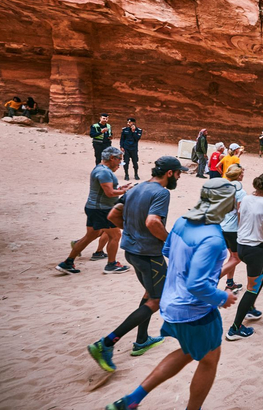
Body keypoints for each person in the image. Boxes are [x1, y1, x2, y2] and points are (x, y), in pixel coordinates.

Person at [104, 179, 239, 410]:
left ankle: (133, 399)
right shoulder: (214, 239)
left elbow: (167, 250)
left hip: (170, 302)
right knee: (209, 361)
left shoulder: (183, 221)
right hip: (195, 311)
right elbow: (197, 285)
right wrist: (223, 298)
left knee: (189, 351)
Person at [88, 156, 188, 373]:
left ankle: (142, 339)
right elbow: (153, 222)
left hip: (131, 251)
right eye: (178, 173)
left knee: (149, 293)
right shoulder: (162, 192)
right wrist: (170, 241)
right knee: (157, 300)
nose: (179, 177)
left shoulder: (136, 187)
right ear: (169, 173)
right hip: (149, 254)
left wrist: (132, 230)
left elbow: (113, 214)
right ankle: (106, 343)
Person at [56, 147, 131, 275]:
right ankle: (111, 265)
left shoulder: (100, 169)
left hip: (93, 208)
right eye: (120, 160)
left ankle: (68, 263)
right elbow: (110, 193)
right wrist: (126, 191)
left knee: (90, 236)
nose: (120, 163)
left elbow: (107, 189)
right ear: (112, 158)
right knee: (115, 235)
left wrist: (119, 187)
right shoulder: (104, 172)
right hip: (102, 210)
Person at [224, 173, 263, 340]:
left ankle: (250, 305)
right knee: (251, 287)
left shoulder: (247, 198)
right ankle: (235, 328)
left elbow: (240, 217)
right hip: (256, 249)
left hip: (242, 245)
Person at [219, 164, 247, 293]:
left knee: (232, 256)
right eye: (241, 173)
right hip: (233, 229)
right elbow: (240, 212)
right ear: (238, 175)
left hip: (222, 226)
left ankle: (230, 283)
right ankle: (212, 280)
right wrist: (243, 228)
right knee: (237, 258)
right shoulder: (240, 192)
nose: (243, 175)